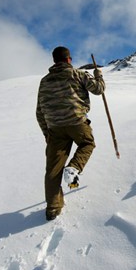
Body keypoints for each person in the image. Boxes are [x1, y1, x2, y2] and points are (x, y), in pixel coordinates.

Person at [36, 46, 105, 221]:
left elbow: (39, 111)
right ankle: (74, 168)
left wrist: (47, 133)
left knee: (53, 168)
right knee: (87, 144)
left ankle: (53, 207)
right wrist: (99, 76)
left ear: (54, 61)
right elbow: (99, 90)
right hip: (77, 122)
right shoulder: (78, 74)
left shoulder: (44, 81)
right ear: (68, 59)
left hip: (55, 128)